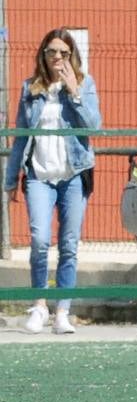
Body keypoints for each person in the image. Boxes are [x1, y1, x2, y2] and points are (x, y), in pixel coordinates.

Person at [4, 29, 102, 334]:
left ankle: (62, 310)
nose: (57, 57)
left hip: (73, 175)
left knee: (69, 245)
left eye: (63, 52)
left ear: (72, 56)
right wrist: (10, 180)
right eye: (51, 52)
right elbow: (20, 136)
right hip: (39, 176)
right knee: (40, 240)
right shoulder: (30, 89)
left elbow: (93, 127)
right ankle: (39, 305)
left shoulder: (85, 84)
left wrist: (74, 91)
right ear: (43, 55)